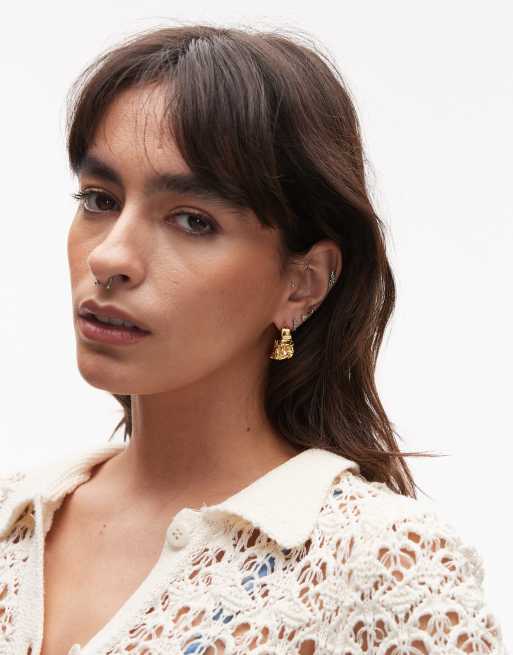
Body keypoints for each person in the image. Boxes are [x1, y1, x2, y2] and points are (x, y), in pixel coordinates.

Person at [0, 24, 507, 655]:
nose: (109, 257)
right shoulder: (13, 520)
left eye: (193, 221)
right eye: (100, 200)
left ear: (302, 283)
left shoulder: (382, 569)